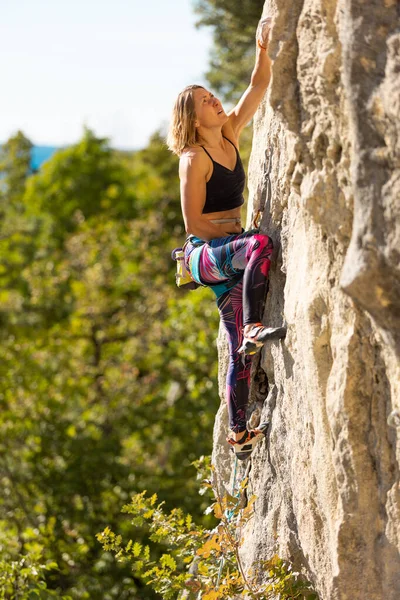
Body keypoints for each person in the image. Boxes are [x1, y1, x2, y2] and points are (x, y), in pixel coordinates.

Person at [167, 17, 286, 460]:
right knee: (259, 246)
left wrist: (263, 48)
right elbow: (194, 223)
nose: (214, 100)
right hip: (202, 255)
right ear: (191, 118)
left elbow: (257, 86)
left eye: (211, 94)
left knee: (241, 351)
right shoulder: (193, 158)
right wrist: (238, 234)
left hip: (227, 255)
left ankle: (238, 435)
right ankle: (255, 325)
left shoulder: (231, 134)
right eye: (204, 100)